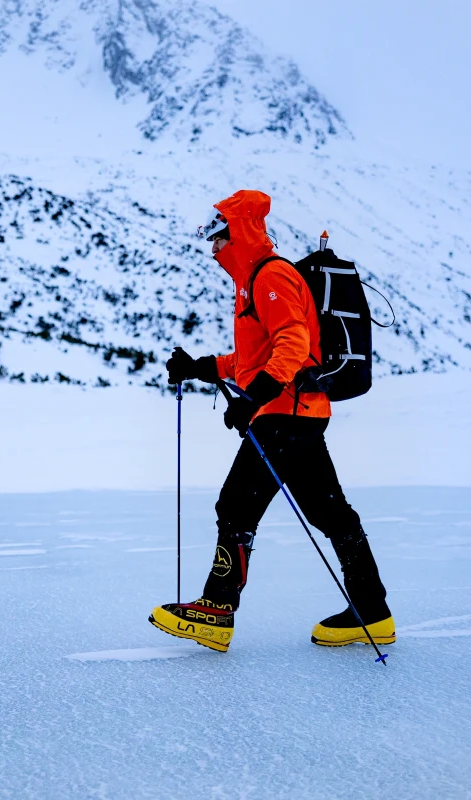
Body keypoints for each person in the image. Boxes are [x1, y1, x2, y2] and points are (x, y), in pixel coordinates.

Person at [148, 189, 394, 653]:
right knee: (330, 514)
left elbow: (293, 344)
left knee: (235, 507)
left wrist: (253, 399)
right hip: (297, 415)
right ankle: (373, 611)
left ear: (236, 233)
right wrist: (200, 367)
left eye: (218, 240)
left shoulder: (270, 276)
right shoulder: (252, 283)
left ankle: (216, 611)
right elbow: (251, 358)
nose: (214, 250)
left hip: (285, 414)